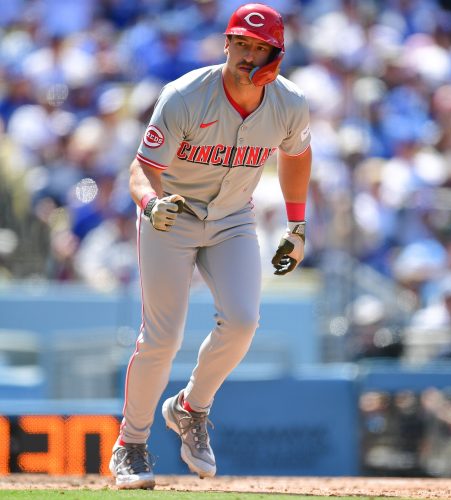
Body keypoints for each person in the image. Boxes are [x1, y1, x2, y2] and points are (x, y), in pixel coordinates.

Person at [109, 3, 312, 490]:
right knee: (162, 337)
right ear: (226, 43)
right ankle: (131, 444)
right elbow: (143, 166)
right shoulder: (184, 94)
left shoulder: (289, 103)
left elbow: (298, 155)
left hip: (233, 217)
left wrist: (298, 226)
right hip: (171, 214)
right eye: (239, 42)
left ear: (275, 54)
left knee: (243, 321)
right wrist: (149, 203)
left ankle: (190, 408)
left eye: (256, 46)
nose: (245, 54)